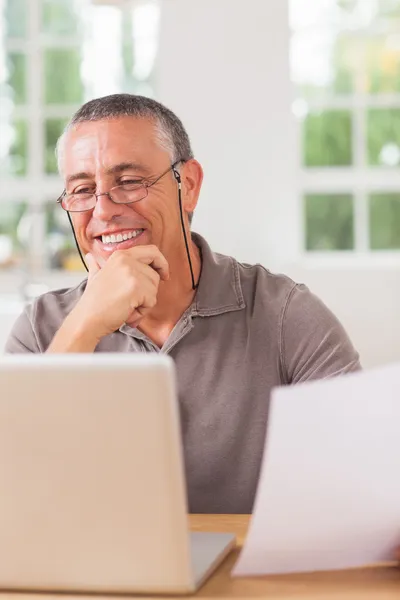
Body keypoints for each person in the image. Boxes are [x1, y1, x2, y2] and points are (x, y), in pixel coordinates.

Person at [6, 94, 361, 514]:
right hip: (92, 578)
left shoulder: (286, 315)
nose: (103, 210)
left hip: (247, 575)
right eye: (82, 190)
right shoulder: (42, 329)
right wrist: (85, 324)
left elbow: (364, 475)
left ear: (188, 186)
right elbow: (11, 487)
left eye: (129, 181)